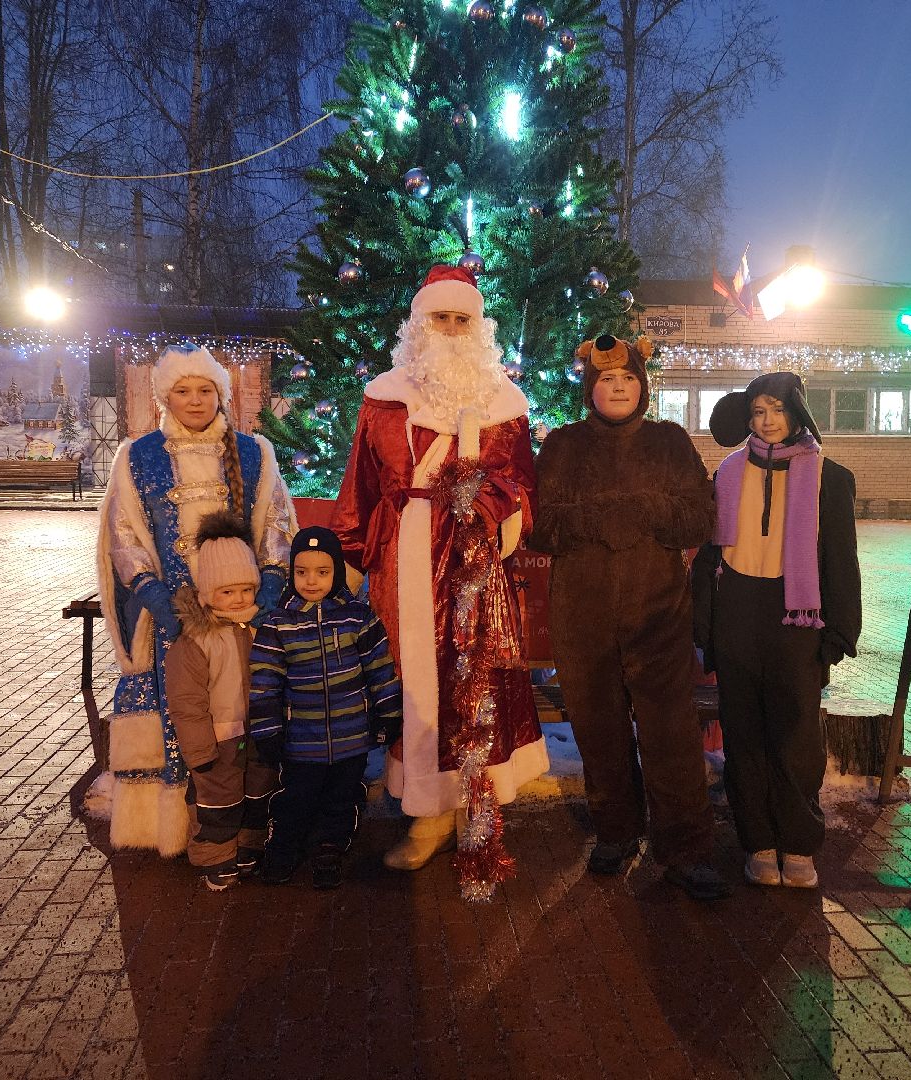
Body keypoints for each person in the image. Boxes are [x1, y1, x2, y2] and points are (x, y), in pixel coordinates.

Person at [331, 264, 548, 899]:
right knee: (416, 682)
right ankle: (428, 815)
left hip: (476, 557)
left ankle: (475, 807)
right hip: (406, 555)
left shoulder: (505, 403)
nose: (451, 330)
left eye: (462, 319)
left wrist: (497, 508)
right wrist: (349, 553)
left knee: (475, 679)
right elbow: (362, 486)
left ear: (478, 328)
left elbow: (524, 485)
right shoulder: (383, 397)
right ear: (419, 323)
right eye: (440, 318)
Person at [529, 334, 731, 902]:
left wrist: (648, 509)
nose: (617, 387)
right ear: (589, 389)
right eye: (605, 380)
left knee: (670, 733)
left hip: (657, 614)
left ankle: (686, 849)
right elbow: (541, 525)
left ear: (642, 387)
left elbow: (698, 517)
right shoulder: (564, 446)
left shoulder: (669, 443)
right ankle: (615, 833)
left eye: (627, 379)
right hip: (582, 614)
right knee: (598, 727)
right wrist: (598, 517)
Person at [93, 344, 296, 856]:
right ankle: (180, 826)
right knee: (182, 712)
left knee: (243, 712)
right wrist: (159, 600)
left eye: (205, 390)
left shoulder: (254, 453)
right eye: (183, 391)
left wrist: (268, 590)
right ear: (166, 396)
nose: (195, 400)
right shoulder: (137, 459)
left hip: (241, 615)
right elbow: (126, 538)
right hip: (174, 623)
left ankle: (246, 820)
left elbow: (275, 525)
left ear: (220, 394)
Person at [697, 372, 861, 889]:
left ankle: (799, 844)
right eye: (758, 413)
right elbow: (707, 557)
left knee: (796, 735)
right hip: (739, 610)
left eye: (776, 410)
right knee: (743, 732)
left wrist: (839, 629)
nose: (767, 422)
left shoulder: (829, 478)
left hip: (798, 616)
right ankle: (758, 842)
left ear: (797, 413)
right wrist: (704, 626)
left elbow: (841, 558)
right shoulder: (726, 472)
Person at [248, 526, 402, 889]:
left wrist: (389, 712)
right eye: (301, 572)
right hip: (301, 739)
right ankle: (284, 848)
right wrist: (268, 730)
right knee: (295, 798)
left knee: (342, 796)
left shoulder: (356, 617)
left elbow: (380, 668)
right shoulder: (277, 623)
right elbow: (264, 684)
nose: (311, 581)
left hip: (351, 737)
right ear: (291, 573)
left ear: (335, 571)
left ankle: (331, 845)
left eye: (322, 572)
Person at [164, 511, 278, 891]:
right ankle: (216, 857)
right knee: (218, 802)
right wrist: (199, 751)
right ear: (208, 594)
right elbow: (187, 701)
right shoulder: (196, 641)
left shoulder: (262, 628)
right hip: (218, 740)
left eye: (246, 589)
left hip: (261, 732)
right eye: (227, 592)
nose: (239, 599)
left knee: (257, 792)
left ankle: (249, 847)